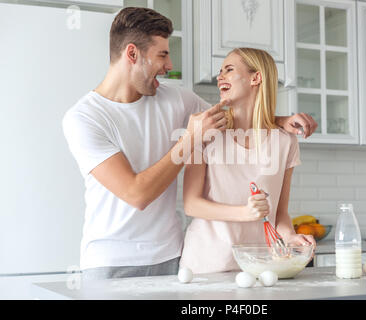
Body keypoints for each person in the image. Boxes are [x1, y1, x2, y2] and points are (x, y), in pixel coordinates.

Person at [62, 7, 317, 280]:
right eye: (163, 54)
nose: (169, 65)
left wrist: (281, 119)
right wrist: (191, 138)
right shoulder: (85, 118)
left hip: (171, 256)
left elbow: (235, 118)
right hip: (109, 261)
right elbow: (137, 194)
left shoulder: (177, 99)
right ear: (132, 54)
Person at [180, 48, 316, 274]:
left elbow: (279, 213)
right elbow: (191, 204)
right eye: (219, 72)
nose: (219, 77)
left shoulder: (285, 141)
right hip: (205, 265)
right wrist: (245, 212)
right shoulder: (206, 133)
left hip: (260, 266)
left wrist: (291, 236)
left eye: (229, 69)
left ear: (256, 78)